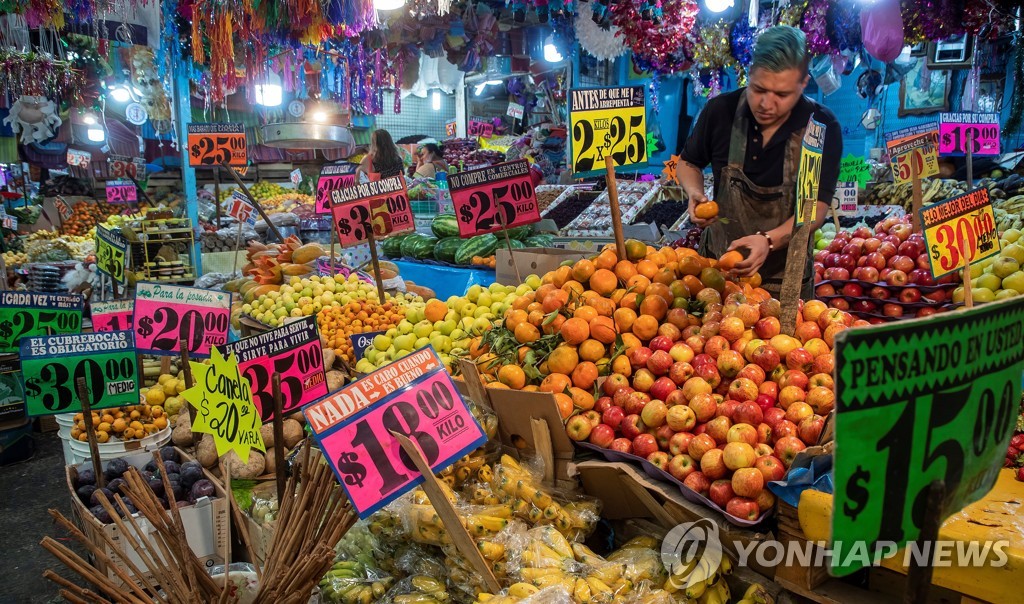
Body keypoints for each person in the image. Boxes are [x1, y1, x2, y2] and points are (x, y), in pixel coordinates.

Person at [678, 25, 842, 299]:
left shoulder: (820, 127)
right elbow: (689, 162)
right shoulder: (720, 112)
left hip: (784, 281)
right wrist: (694, 192)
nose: (766, 103)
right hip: (718, 274)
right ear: (750, 73)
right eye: (759, 89)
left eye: (781, 95)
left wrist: (768, 240)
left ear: (803, 84)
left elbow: (816, 208)